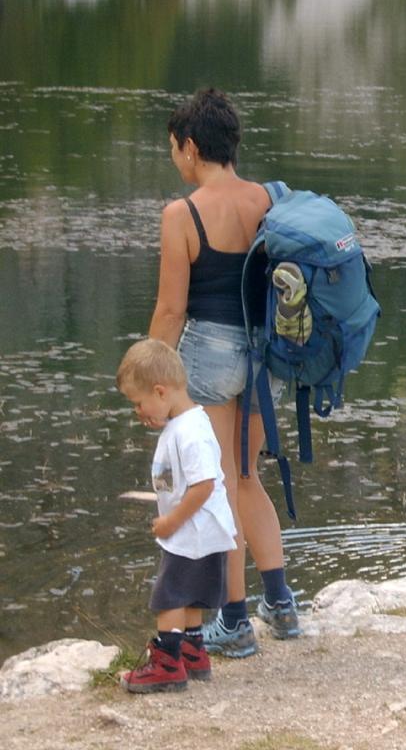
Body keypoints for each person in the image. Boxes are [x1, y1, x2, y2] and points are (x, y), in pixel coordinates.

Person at [148, 87, 299, 656]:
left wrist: (150, 381)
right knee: (244, 476)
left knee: (216, 491)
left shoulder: (181, 213)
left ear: (190, 147)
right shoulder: (271, 199)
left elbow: (170, 310)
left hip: (210, 356)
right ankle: (281, 604)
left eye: (174, 150)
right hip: (268, 357)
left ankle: (234, 619)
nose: (175, 160)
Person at [115, 338, 237, 692]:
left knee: (169, 596)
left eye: (139, 403)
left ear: (160, 391)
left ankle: (167, 663)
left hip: (193, 532)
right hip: (202, 532)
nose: (139, 412)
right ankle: (192, 651)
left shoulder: (191, 433)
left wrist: (171, 521)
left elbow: (203, 486)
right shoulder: (184, 424)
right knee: (193, 595)